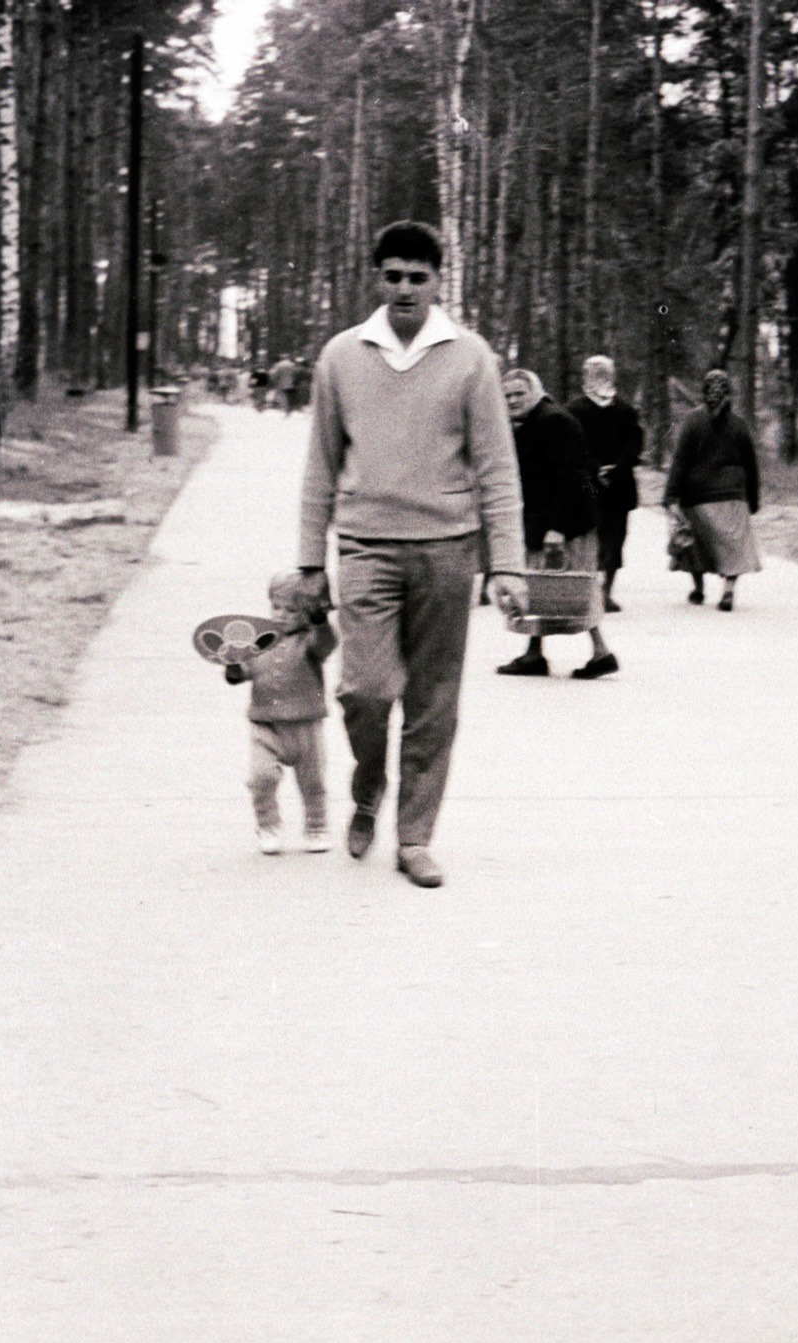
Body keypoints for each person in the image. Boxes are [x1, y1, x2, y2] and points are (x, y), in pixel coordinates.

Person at [298, 219, 527, 888]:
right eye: (392, 275)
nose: (404, 288)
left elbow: (497, 468)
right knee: (364, 690)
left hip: (448, 552)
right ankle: (369, 781)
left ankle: (416, 835)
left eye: (417, 278)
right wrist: (310, 560)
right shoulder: (341, 355)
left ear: (436, 283)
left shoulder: (471, 358)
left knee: (433, 699)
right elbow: (319, 464)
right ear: (376, 277)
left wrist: (507, 563)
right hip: (366, 546)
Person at [496, 369, 619, 680]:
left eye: (518, 394)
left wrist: (557, 529)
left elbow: (571, 478)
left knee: (575, 586)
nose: (512, 400)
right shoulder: (528, 423)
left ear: (535, 393)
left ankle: (600, 652)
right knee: (541, 586)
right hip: (545, 520)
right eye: (507, 395)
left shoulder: (554, 421)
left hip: (567, 523)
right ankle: (535, 653)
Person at [223, 572, 337, 855]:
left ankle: (316, 826)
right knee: (260, 777)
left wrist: (321, 622)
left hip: (305, 726)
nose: (282, 615)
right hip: (265, 726)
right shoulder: (259, 640)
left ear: (307, 612)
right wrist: (235, 669)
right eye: (277, 607)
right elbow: (246, 669)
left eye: (292, 609)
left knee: (313, 782)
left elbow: (327, 644)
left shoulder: (310, 641)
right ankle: (268, 825)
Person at [662, 368, 762, 611]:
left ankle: (698, 589)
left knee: (694, 545)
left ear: (704, 392)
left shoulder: (692, 421)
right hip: (733, 497)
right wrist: (754, 499)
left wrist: (670, 495)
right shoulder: (740, 425)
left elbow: (681, 461)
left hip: (697, 497)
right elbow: (751, 466)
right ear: (729, 393)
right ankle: (728, 591)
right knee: (734, 548)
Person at [568, 355, 643, 612]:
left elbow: (634, 444)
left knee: (610, 538)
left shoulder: (622, 410)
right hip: (599, 485)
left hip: (606, 485)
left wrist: (608, 469)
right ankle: (595, 591)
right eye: (595, 373)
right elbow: (575, 446)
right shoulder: (578, 410)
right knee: (599, 537)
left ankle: (603, 592)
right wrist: (605, 469)